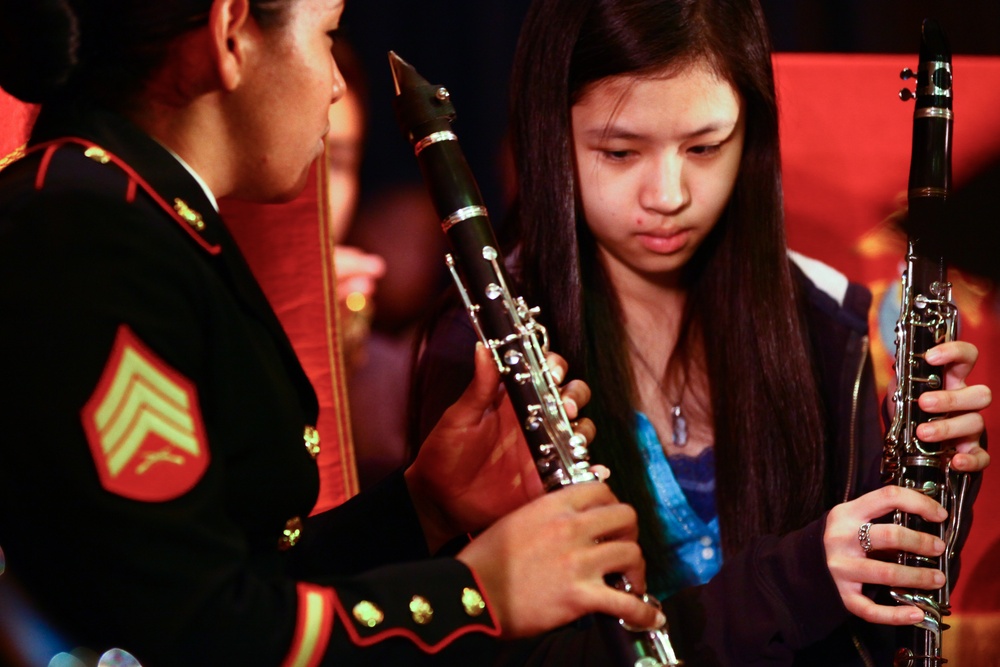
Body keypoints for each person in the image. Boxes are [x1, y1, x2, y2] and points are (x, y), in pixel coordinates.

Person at [0, 1, 666, 665]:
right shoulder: (90, 233)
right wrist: (479, 591)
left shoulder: (137, 214)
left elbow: (238, 575)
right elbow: (194, 628)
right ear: (231, 33)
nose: (336, 83)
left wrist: (421, 506)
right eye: (328, 37)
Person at [411, 0, 992, 664]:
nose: (668, 193)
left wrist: (931, 495)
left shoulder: (824, 320)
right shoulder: (484, 349)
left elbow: (877, 633)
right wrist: (794, 577)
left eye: (705, 146)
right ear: (549, 135)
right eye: (621, 150)